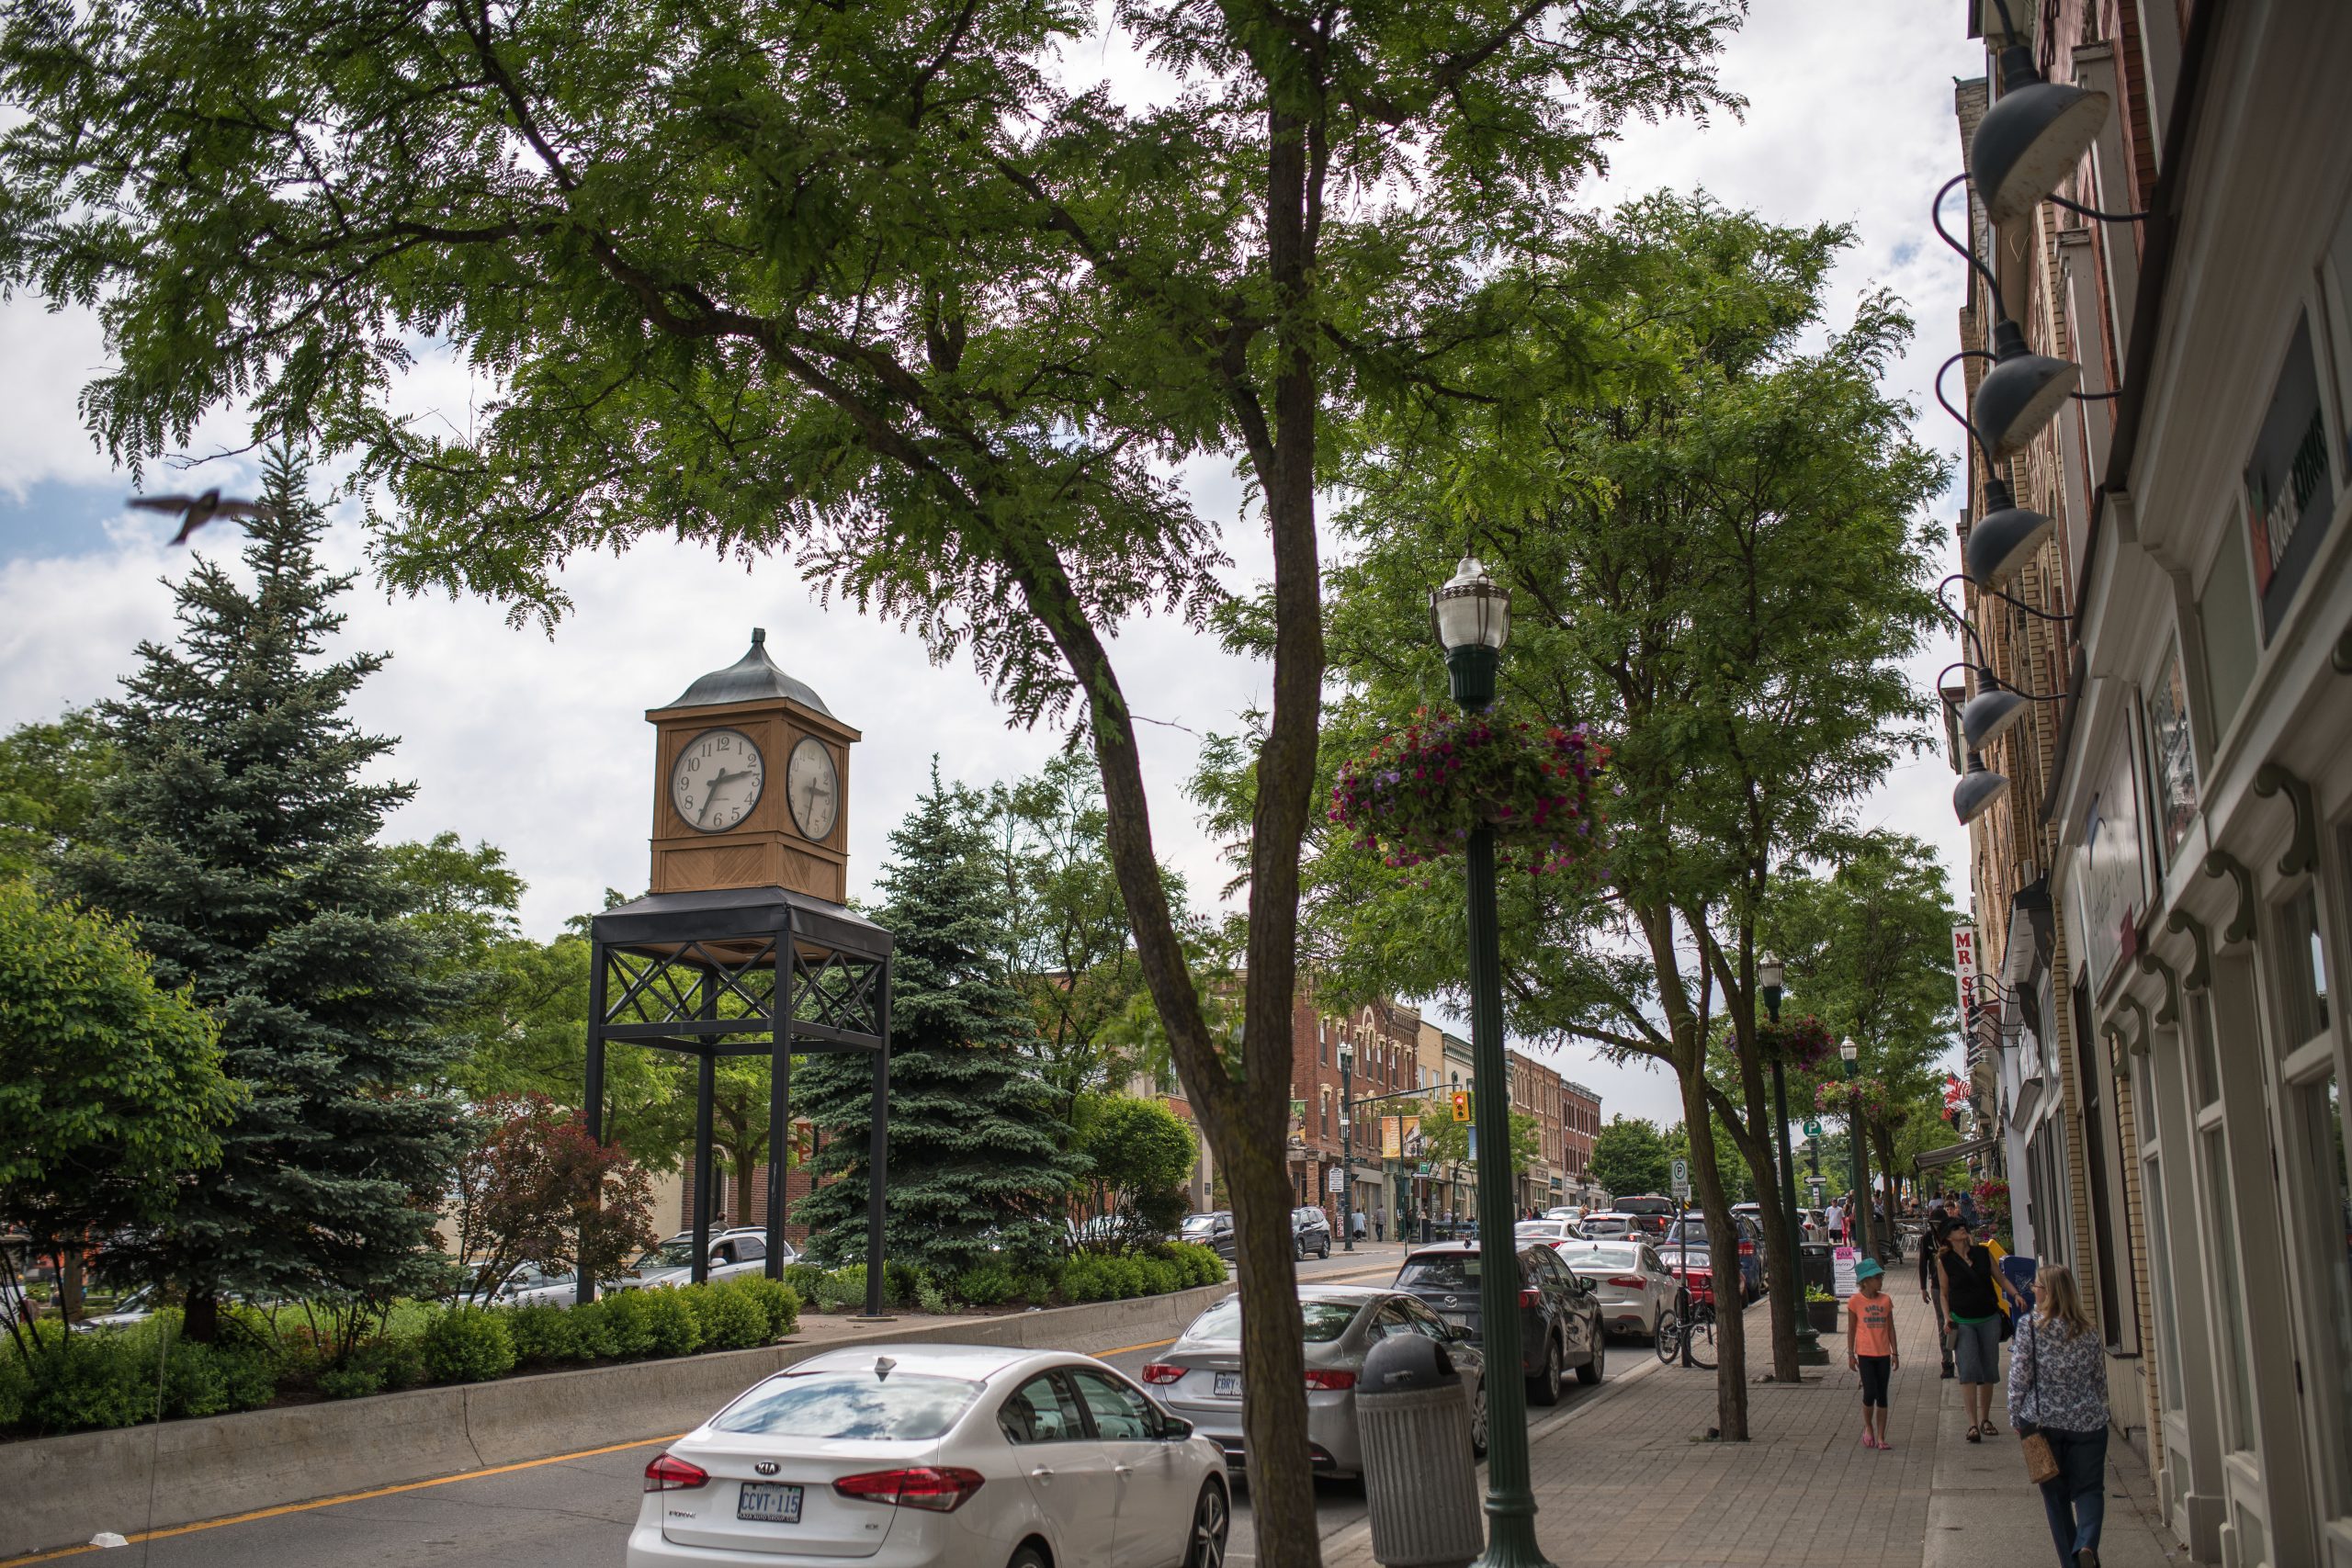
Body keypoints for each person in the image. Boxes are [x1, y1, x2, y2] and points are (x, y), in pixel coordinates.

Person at [2009, 1264, 2109, 1568]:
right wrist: (2101, 1411)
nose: (2033, 1291)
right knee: (2090, 1490)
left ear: (2049, 1292)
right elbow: (2098, 1379)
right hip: (2088, 1424)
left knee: (2056, 1498)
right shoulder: (2088, 1329)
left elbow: (2019, 1378)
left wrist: (2016, 1417)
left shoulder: (2029, 1327)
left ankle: (2072, 1563)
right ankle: (2087, 1542)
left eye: (2037, 1287)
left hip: (2043, 1424)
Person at [1937, 1219, 2012, 1441]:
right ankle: (1972, 1425)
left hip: (1988, 1317)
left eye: (1963, 1226)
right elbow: (1943, 1293)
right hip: (1963, 1320)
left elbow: (2000, 1278)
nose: (1962, 1228)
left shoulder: (1982, 1253)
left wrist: (2016, 1295)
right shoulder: (1945, 1260)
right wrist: (1947, 1317)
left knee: (1989, 1368)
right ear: (1948, 1237)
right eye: (1956, 1227)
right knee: (1968, 1369)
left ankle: (1986, 1418)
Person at [1847, 1257, 1899, 1450]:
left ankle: (1881, 1437)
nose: (1880, 1280)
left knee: (1882, 1395)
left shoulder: (1885, 1300)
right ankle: (1868, 1426)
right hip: (1865, 1354)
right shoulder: (1855, 1301)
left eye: (1881, 1277)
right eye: (1877, 1277)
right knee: (1870, 1393)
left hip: (1883, 1353)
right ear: (1866, 1281)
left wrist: (1895, 1353)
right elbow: (1851, 1329)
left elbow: (1891, 1328)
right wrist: (1851, 1354)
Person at [1919, 1196, 1964, 1378]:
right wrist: (1923, 1287)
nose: (1937, 1228)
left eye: (1940, 1224)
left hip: (1956, 1285)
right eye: (1934, 1224)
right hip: (1937, 1286)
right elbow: (1923, 1263)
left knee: (1959, 1321)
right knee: (1942, 1323)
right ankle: (1947, 1362)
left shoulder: (1951, 1237)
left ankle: (1962, 1358)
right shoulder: (1927, 1239)